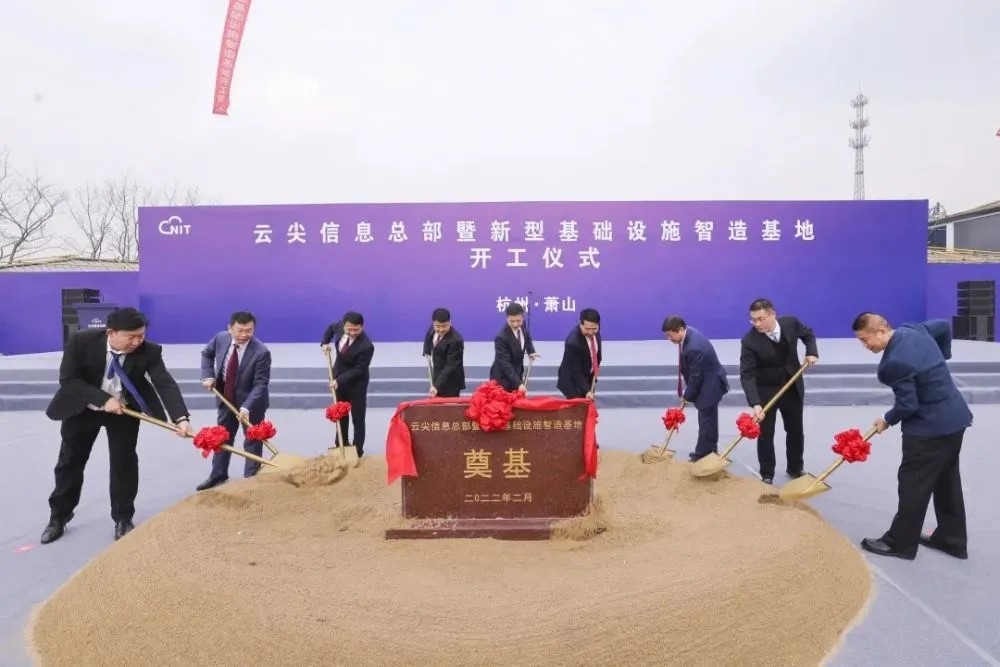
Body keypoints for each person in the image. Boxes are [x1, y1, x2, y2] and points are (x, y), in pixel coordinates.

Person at [40, 307, 192, 544]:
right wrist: (103, 399)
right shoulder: (81, 341)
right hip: (83, 408)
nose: (137, 342)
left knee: (124, 462)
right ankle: (59, 516)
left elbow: (164, 382)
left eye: (141, 335)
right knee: (70, 462)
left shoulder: (150, 350)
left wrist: (181, 418)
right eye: (131, 337)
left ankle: (123, 517)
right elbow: (68, 380)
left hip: (124, 411)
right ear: (111, 332)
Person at [852, 313, 973, 561]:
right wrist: (941, 358)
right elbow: (943, 326)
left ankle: (900, 543)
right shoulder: (914, 329)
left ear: (882, 330)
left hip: (928, 432)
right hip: (956, 419)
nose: (865, 346)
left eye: (865, 339)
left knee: (913, 485)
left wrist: (886, 419)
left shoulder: (892, 364)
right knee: (946, 480)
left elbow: (908, 405)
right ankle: (952, 539)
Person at [738, 298, 818, 484]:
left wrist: (811, 352)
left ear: (772, 314)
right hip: (766, 392)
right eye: (753, 320)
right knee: (765, 434)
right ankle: (767, 474)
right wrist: (755, 403)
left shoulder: (791, 323)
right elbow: (747, 374)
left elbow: (808, 334)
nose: (757, 324)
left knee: (795, 430)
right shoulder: (749, 341)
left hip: (792, 386)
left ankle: (795, 468)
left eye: (761, 319)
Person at [195, 311, 272, 491]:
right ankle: (218, 474)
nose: (244, 335)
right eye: (240, 330)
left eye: (249, 330)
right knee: (222, 437)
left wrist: (247, 407)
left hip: (251, 404)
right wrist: (208, 375)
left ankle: (250, 481)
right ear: (230, 328)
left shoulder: (261, 352)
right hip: (225, 398)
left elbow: (261, 384)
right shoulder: (220, 338)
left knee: (252, 441)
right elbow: (206, 354)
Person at [662, 315, 729, 462]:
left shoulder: (693, 347)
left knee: (706, 422)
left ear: (680, 329)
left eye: (670, 335)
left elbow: (695, 376)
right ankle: (709, 451)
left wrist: (687, 396)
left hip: (709, 386)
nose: (669, 339)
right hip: (707, 380)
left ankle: (703, 454)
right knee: (709, 421)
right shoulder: (689, 333)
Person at [323, 311, 375, 459]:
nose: (352, 333)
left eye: (356, 330)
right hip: (339, 379)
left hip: (356, 384)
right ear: (344, 325)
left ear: (362, 327)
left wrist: (338, 380)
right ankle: (341, 444)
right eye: (349, 329)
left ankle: (357, 450)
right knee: (341, 414)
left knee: (357, 418)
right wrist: (325, 343)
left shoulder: (367, 346)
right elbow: (330, 329)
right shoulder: (340, 327)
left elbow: (359, 370)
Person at [489, 302, 539, 392]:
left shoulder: (522, 325)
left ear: (522, 318)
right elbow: (505, 365)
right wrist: (518, 384)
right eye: (512, 321)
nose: (515, 324)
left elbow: (527, 337)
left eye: (518, 321)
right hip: (503, 379)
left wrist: (531, 351)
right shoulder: (501, 338)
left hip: (517, 372)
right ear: (507, 319)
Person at [556, 308, 602, 400]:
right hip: (573, 382)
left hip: (587, 376)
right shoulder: (573, 343)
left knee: (588, 406)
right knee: (578, 407)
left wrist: (595, 369)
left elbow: (596, 354)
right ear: (580, 323)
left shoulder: (595, 333)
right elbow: (575, 371)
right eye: (587, 329)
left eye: (594, 329)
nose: (591, 332)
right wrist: (586, 391)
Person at [422, 307, 466, 398]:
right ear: (433, 323)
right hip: (438, 372)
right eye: (438, 326)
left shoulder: (456, 340)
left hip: (451, 380)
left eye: (445, 326)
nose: (441, 329)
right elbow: (429, 335)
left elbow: (451, 366)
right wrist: (426, 351)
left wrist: (436, 386)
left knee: (448, 405)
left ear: (450, 322)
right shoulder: (434, 327)